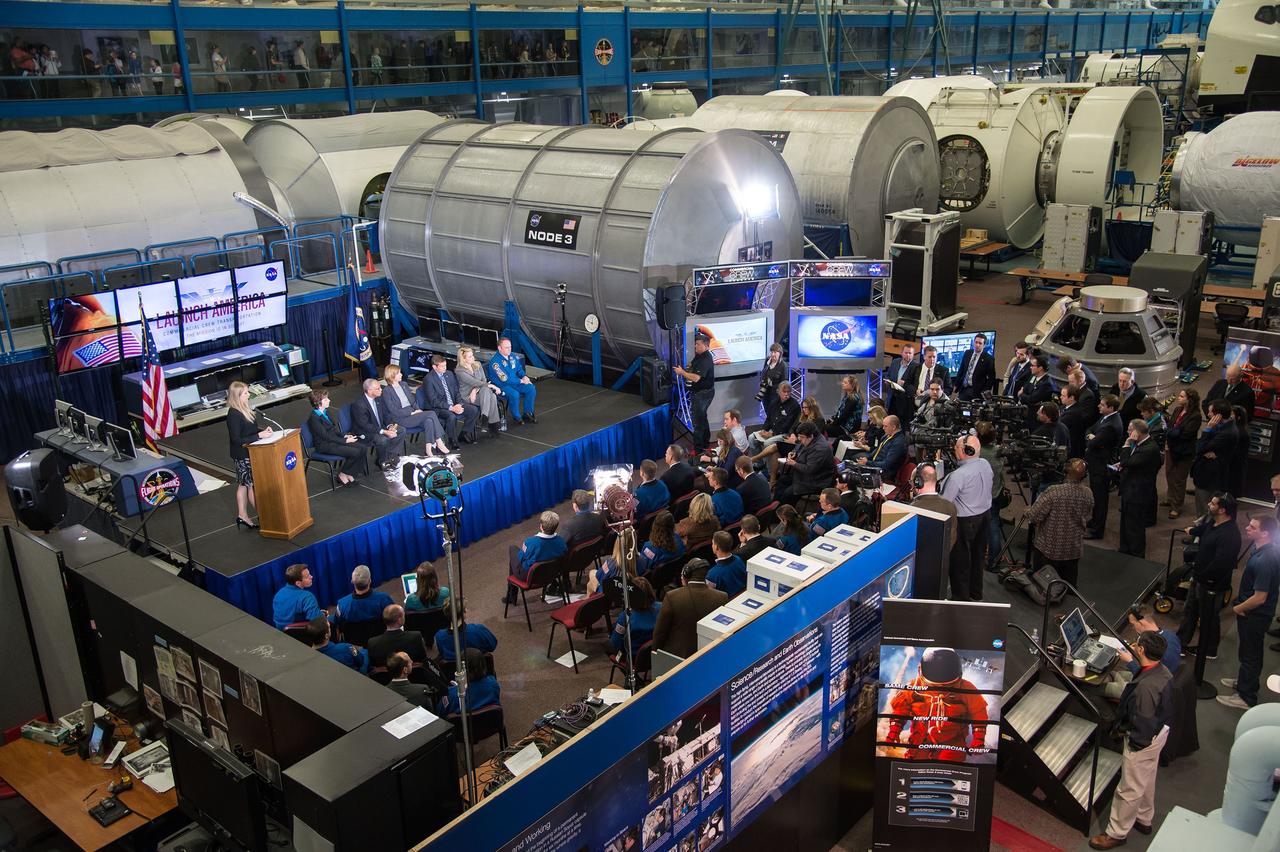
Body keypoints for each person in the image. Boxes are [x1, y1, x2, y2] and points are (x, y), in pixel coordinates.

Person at [1088, 631, 1173, 850]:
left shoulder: (1146, 688)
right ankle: (1144, 818)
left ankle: (1116, 833)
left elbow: (1142, 721)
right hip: (1159, 733)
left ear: (1142, 650)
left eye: (1137, 645)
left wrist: (1134, 745)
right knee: (1147, 777)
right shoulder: (1161, 672)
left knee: (1129, 788)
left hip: (1142, 740)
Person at [883, 647, 989, 763]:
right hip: (920, 740)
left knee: (948, 764)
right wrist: (894, 732)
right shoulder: (912, 688)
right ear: (921, 670)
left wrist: (978, 738)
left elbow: (979, 712)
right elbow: (900, 711)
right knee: (915, 763)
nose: (941, 685)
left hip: (952, 741)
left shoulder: (966, 689)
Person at [1217, 515, 1280, 710]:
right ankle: (1244, 682)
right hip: (1253, 614)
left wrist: (1238, 608)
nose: (1247, 528)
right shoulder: (1261, 549)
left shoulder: (1266, 559)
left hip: (1255, 615)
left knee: (1251, 654)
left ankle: (1246, 696)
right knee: (1248, 652)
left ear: (1265, 533)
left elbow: (1260, 597)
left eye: (1252, 527)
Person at [1176, 493, 1240, 661]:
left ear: (1222, 510)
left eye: (1213, 504)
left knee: (1209, 617)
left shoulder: (1230, 535)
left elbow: (1221, 563)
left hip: (1212, 585)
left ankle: (1209, 649)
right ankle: (1180, 643)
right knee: (1189, 611)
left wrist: (1203, 578)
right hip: (1199, 578)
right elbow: (1203, 530)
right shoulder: (1214, 522)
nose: (1208, 505)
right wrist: (1192, 530)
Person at [940, 434, 993, 602]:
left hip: (965, 522)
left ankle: (960, 599)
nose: (954, 451)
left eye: (956, 448)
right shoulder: (985, 464)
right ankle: (975, 594)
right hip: (985, 517)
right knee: (978, 558)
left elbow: (945, 502)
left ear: (965, 451)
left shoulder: (958, 475)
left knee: (960, 562)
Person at [1023, 459, 1092, 588]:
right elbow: (1087, 517)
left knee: (1043, 587)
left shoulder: (1054, 491)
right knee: (1069, 587)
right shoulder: (1088, 493)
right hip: (1073, 549)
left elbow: (1034, 516)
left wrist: (1027, 511)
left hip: (1049, 549)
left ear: (1065, 471)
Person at [652, 559, 728, 658]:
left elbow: (660, 633)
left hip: (678, 657)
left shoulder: (672, 597)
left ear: (686, 574)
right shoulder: (722, 597)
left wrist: (655, 655)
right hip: (709, 653)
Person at [226, 380, 272, 529]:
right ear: (237, 396)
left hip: (250, 451)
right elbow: (237, 439)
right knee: (251, 484)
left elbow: (249, 429)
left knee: (243, 484)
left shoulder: (244, 409)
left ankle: (242, 515)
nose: (248, 395)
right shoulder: (233, 414)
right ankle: (263, 516)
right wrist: (259, 436)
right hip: (242, 455)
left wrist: (262, 431)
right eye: (246, 393)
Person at [1115, 419, 1162, 558]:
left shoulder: (1149, 448)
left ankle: (1136, 554)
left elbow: (1127, 462)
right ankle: (1125, 549)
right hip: (1130, 488)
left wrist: (1127, 444)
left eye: (1130, 429)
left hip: (1138, 492)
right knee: (1126, 522)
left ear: (1137, 431)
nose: (1128, 432)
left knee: (1134, 525)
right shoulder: (1141, 444)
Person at [381, 365, 450, 454]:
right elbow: (393, 411)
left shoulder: (404, 385)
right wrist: (412, 412)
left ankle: (428, 448)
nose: (401, 374)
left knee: (429, 421)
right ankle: (439, 441)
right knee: (431, 413)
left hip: (413, 414)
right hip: (401, 418)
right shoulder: (387, 391)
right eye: (399, 373)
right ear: (392, 375)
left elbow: (412, 401)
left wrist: (417, 410)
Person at [306, 388, 368, 485]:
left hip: (334, 441)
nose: (329, 400)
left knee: (363, 447)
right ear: (317, 402)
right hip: (325, 445)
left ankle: (350, 473)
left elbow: (334, 430)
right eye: (326, 399)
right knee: (355, 452)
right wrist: (344, 441)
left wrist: (346, 436)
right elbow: (325, 436)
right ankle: (342, 474)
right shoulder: (314, 419)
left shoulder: (327, 412)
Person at [1085, 394, 1124, 539]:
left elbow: (1092, 443)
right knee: (1096, 496)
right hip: (1096, 461)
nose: (1098, 406)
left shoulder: (1111, 425)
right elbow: (1089, 429)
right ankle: (1094, 521)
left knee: (1100, 499)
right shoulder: (1105, 418)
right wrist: (1092, 436)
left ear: (1111, 407)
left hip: (1102, 465)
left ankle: (1097, 530)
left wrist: (1092, 439)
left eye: (1102, 405)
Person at [1190, 399, 1237, 518]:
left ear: (1218, 415)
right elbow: (1202, 447)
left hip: (1210, 477)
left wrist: (1208, 429)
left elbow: (1199, 448)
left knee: (1205, 509)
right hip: (1206, 472)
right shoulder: (1221, 426)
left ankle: (1200, 535)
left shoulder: (1227, 432)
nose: (1208, 414)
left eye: (1211, 412)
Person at [350, 378, 406, 471]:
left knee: (401, 430)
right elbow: (365, 425)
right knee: (382, 439)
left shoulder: (379, 399)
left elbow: (386, 414)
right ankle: (383, 462)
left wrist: (390, 426)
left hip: (379, 427)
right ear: (369, 391)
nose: (381, 390)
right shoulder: (359, 404)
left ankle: (390, 456)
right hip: (365, 432)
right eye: (378, 388)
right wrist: (384, 431)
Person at [422, 355, 479, 445]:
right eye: (442, 366)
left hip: (454, 403)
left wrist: (459, 404)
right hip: (438, 408)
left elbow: (456, 391)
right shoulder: (428, 379)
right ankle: (452, 440)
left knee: (473, 410)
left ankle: (464, 434)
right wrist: (451, 408)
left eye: (445, 365)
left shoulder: (449, 374)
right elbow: (433, 401)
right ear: (434, 367)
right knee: (451, 416)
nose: (445, 368)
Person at [1163, 388, 1201, 519]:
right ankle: (1170, 498)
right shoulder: (1177, 410)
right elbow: (1171, 427)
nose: (1179, 398)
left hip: (1184, 452)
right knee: (1169, 474)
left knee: (1179, 479)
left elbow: (1185, 434)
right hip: (1171, 448)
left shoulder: (1196, 416)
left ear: (1189, 399)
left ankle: (1176, 507)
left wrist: (1173, 432)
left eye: (1182, 396)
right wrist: (1173, 432)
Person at [775, 421, 836, 504]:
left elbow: (809, 470)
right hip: (804, 474)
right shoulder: (810, 437)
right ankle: (775, 505)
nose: (799, 439)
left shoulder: (820, 448)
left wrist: (794, 464)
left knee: (788, 494)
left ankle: (784, 512)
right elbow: (799, 446)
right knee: (781, 480)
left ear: (811, 436)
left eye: (801, 437)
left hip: (816, 480)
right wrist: (793, 452)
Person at [673, 334, 715, 450]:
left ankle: (699, 450)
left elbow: (696, 378)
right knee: (702, 418)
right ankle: (705, 444)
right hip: (701, 393)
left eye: (698, 344)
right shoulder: (700, 355)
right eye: (695, 344)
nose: (695, 346)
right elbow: (692, 364)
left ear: (706, 346)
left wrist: (682, 373)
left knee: (697, 422)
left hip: (703, 394)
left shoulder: (706, 359)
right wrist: (687, 367)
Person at [450, 347, 503, 437]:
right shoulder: (459, 371)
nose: (473, 358)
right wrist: (492, 386)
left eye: (472, 355)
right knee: (491, 395)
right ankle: (493, 426)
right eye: (470, 356)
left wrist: (474, 390)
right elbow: (474, 382)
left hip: (479, 393)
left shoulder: (477, 364)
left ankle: (484, 418)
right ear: (463, 359)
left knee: (488, 392)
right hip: (468, 396)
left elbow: (483, 380)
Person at [977, 422, 1007, 570]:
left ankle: (988, 559)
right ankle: (993, 560)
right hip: (995, 492)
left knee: (990, 527)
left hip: (981, 495)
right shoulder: (999, 452)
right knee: (993, 525)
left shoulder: (977, 453)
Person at [486, 338, 537, 425]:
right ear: (499, 348)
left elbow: (519, 369)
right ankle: (517, 416)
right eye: (506, 347)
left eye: (510, 347)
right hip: (501, 385)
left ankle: (528, 413)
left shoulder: (512, 356)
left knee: (531, 388)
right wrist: (521, 381)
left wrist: (524, 376)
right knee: (514, 394)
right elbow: (505, 379)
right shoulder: (495, 363)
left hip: (516, 382)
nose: (509, 349)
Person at [511, 510, 569, 586]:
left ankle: (511, 595)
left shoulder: (530, 542)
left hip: (531, 577)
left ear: (541, 526)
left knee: (512, 549)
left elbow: (523, 558)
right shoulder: (561, 542)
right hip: (553, 573)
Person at [434, 598, 498, 664]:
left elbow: (442, 654)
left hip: (452, 671)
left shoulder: (439, 636)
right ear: (463, 613)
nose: (467, 610)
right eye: (465, 608)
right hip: (479, 668)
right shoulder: (478, 630)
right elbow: (492, 646)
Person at [910, 463, 957, 550]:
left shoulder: (912, 510)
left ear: (918, 483)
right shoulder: (951, 506)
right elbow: (951, 540)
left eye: (911, 481)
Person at [440, 647, 500, 715]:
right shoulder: (494, 684)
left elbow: (441, 713)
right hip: (490, 725)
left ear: (460, 669)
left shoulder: (451, 694)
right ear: (484, 666)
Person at [611, 576, 660, 657]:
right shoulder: (662, 607)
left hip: (634, 657)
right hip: (657, 653)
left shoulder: (625, 617)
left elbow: (616, 643)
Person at [748, 383, 802, 456]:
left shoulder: (794, 405)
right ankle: (758, 464)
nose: (786, 394)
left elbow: (788, 425)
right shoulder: (774, 403)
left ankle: (768, 466)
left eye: (788, 392)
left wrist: (772, 434)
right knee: (751, 438)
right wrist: (764, 429)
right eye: (784, 391)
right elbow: (769, 418)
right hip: (772, 432)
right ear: (778, 392)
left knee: (767, 443)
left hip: (785, 434)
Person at [903, 345, 950, 418]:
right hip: (915, 402)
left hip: (934, 405)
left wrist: (937, 394)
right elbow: (907, 384)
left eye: (934, 357)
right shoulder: (914, 368)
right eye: (930, 357)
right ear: (924, 357)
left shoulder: (943, 371)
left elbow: (948, 388)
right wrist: (916, 391)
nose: (932, 359)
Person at [272, 563, 323, 630]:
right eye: (307, 576)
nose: (311, 577)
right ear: (298, 583)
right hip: (301, 634)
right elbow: (318, 623)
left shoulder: (278, 594)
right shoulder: (307, 597)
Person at [856, 415, 907, 481]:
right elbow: (877, 449)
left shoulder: (898, 443)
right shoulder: (888, 435)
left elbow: (886, 464)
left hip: (883, 473)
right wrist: (867, 458)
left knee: (853, 472)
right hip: (875, 464)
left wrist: (867, 462)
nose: (883, 428)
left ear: (894, 427)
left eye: (885, 426)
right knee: (851, 465)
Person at [638, 510, 684, 575]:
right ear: (673, 525)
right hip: (671, 574)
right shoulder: (679, 540)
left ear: (654, 525)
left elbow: (643, 569)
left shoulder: (649, 547)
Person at [882, 342, 918, 424]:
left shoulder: (916, 367)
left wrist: (904, 384)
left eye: (910, 353)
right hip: (892, 398)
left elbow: (915, 386)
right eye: (906, 353)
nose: (908, 355)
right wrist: (888, 381)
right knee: (890, 421)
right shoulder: (895, 362)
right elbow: (888, 375)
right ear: (901, 353)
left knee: (901, 424)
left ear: (913, 355)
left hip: (905, 402)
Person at [955, 333, 996, 400]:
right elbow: (961, 370)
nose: (977, 345)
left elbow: (991, 378)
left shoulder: (988, 359)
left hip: (976, 391)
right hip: (963, 388)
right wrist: (956, 385)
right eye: (976, 342)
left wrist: (985, 391)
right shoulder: (967, 353)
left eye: (980, 343)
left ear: (984, 345)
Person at [706, 531, 747, 599]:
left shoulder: (712, 574)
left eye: (713, 543)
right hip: (744, 596)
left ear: (716, 547)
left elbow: (710, 598)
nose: (712, 545)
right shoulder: (738, 559)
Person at [1016, 356, 1055, 426]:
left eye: (1032, 365)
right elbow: (1025, 388)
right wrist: (1024, 393)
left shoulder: (1046, 383)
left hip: (1036, 417)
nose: (1030, 367)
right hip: (1027, 413)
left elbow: (1032, 399)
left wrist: (1021, 395)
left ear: (1040, 368)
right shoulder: (1033, 376)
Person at [1059, 385, 1091, 459]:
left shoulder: (1074, 412)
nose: (1061, 397)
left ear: (1072, 398)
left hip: (1071, 447)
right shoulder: (1064, 406)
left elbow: (1059, 423)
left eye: (1063, 396)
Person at [828, 375, 864, 440]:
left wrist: (834, 423)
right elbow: (840, 413)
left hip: (848, 428)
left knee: (822, 428)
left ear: (852, 385)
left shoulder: (853, 398)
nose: (842, 383)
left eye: (845, 382)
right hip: (843, 425)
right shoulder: (847, 396)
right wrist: (833, 419)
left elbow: (844, 415)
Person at [757, 343, 787, 419]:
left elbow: (784, 382)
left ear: (780, 353)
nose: (773, 354)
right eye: (772, 352)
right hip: (765, 391)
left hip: (775, 393)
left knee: (774, 411)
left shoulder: (783, 365)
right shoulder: (768, 360)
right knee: (767, 411)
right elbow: (764, 372)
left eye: (775, 352)